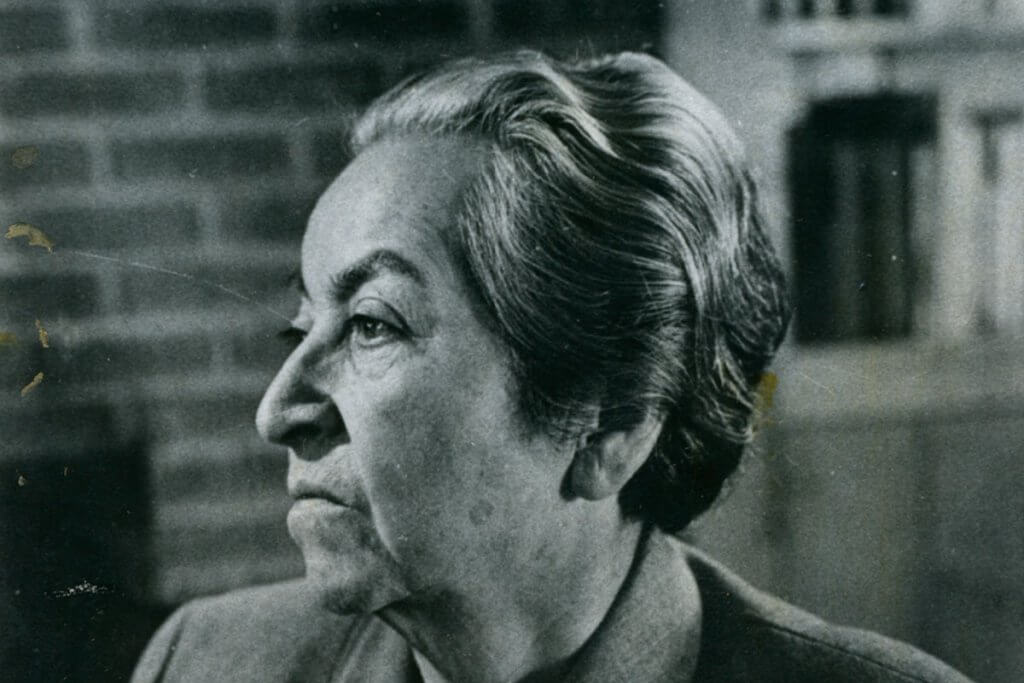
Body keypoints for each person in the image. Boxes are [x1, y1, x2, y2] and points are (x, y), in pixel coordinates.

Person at [131, 51, 971, 682]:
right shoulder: (202, 662)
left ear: (612, 425)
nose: (277, 411)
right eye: (301, 326)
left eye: (373, 326)